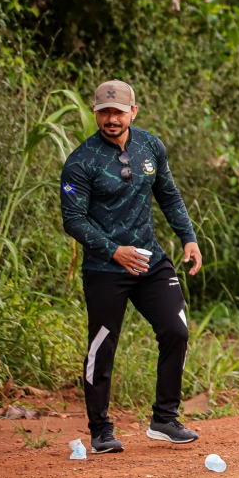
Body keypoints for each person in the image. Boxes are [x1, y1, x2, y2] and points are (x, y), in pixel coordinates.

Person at [60, 80, 204, 454]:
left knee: (176, 330)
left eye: (119, 112)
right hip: (105, 269)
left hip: (150, 261)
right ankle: (100, 430)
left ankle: (165, 420)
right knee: (102, 345)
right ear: (96, 113)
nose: (112, 118)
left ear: (133, 112)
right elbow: (73, 220)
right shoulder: (81, 161)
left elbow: (168, 195)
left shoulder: (150, 146)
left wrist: (188, 237)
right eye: (105, 112)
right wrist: (113, 251)